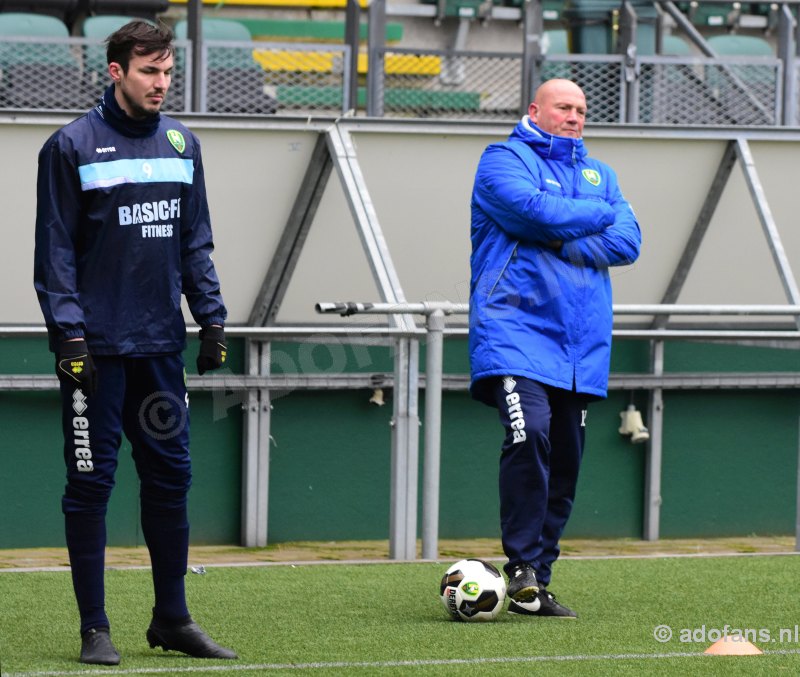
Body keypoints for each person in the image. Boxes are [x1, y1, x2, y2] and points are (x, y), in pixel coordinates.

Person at [33, 21, 236, 664]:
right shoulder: (70, 146)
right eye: (150, 71)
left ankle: (172, 619)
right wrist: (68, 334)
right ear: (116, 71)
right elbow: (55, 252)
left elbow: (193, 240)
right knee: (92, 483)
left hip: (158, 349)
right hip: (93, 353)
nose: (162, 83)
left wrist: (211, 319)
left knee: (171, 477)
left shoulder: (183, 142)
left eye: (168, 71)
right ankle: (95, 628)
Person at [468, 79, 641, 618]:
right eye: (564, 107)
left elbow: (628, 242)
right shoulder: (501, 159)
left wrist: (557, 225)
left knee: (566, 460)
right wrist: (591, 214)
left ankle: (535, 584)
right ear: (535, 110)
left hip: (579, 343)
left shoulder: (601, 173)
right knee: (531, 431)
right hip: (514, 329)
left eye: (582, 109)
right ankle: (519, 562)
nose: (575, 117)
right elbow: (528, 208)